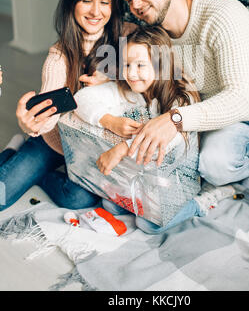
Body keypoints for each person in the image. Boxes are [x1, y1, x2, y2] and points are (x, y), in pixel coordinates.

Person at [119, 0, 249, 234]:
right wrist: (104, 74)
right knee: (212, 166)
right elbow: (132, 62)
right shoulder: (158, 38)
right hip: (235, 123)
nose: (136, 5)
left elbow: (241, 100)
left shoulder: (221, 14)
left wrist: (174, 120)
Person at [0, 0, 134, 212]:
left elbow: (160, 71)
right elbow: (49, 114)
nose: (96, 11)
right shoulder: (58, 56)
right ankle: (17, 150)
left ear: (114, 5)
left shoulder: (129, 37)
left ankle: (38, 175)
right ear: (72, 2)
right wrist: (34, 123)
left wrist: (115, 78)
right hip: (55, 141)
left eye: (105, 2)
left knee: (78, 199)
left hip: (94, 145)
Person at [74, 26, 234, 234]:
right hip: (149, 173)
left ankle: (205, 199)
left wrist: (122, 148)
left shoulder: (182, 96)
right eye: (127, 65)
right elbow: (80, 99)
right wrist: (110, 121)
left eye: (140, 65)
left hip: (180, 175)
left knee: (150, 224)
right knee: (111, 205)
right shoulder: (131, 87)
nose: (131, 73)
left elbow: (167, 142)